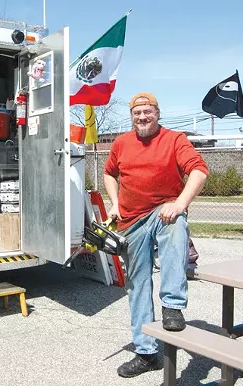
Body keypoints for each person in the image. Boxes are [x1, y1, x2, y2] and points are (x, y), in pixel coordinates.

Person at [103, 92, 209, 378]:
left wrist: (180, 204)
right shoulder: (122, 143)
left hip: (162, 212)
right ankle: (147, 353)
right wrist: (114, 203)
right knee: (137, 285)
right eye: (137, 113)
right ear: (132, 117)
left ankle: (172, 306)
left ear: (157, 113)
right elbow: (109, 174)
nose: (142, 117)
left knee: (175, 224)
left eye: (147, 112)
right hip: (131, 221)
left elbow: (199, 171)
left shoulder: (175, 140)